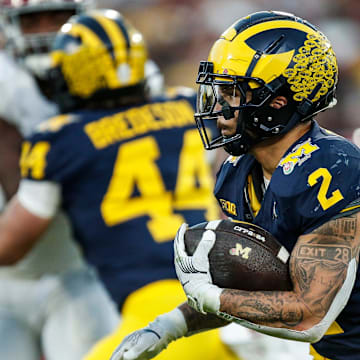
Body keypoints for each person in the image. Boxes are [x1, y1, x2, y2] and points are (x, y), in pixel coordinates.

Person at [110, 10, 360, 360]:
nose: (219, 106)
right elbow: (249, 293)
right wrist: (169, 326)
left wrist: (213, 296)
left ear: (278, 102)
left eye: (232, 92)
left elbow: (311, 316)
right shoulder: (237, 175)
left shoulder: (331, 169)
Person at [0, 8, 240, 360]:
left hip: (153, 312)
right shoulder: (187, 107)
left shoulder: (60, 139)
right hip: (230, 296)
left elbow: (10, 245)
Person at [0, 1, 120, 359]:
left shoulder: (119, 75)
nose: (47, 31)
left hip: (78, 270)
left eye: (58, 17)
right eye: (33, 20)